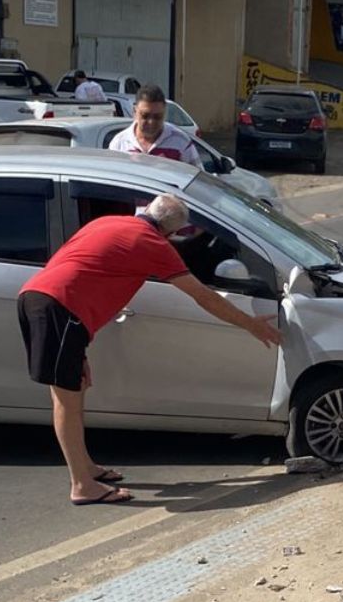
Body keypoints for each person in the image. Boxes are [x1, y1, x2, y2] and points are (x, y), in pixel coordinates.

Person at [20, 194, 281, 505]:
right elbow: (203, 296)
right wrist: (251, 324)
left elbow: (78, 266)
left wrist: (79, 346)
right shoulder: (153, 245)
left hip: (38, 297)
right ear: (170, 233)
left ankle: (86, 468)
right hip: (60, 308)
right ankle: (81, 485)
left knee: (74, 389)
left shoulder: (109, 222)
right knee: (65, 399)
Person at [107, 85, 202, 166]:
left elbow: (197, 182)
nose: (151, 122)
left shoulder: (181, 142)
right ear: (135, 112)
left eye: (157, 116)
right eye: (145, 116)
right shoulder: (119, 144)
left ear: (165, 113)